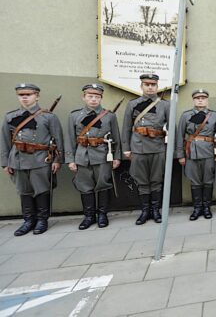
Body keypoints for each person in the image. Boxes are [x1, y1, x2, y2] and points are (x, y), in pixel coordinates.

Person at [1, 83, 63, 236]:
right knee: (24, 190)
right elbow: (4, 141)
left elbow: (58, 140)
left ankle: (42, 220)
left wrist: (57, 160)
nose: (25, 98)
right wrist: (4, 163)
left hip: (41, 159)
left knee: (42, 189)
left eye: (28, 94)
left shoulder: (48, 117)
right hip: (18, 160)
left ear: (37, 96)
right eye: (21, 95)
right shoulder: (10, 117)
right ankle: (28, 220)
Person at [65, 83, 121, 229]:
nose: (94, 100)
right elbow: (70, 139)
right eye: (90, 96)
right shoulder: (74, 116)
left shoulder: (109, 116)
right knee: (85, 186)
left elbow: (116, 138)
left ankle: (102, 214)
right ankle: (89, 216)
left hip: (102, 155)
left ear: (101, 98)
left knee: (103, 184)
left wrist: (116, 157)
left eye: (97, 97)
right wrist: (70, 159)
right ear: (84, 97)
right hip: (82, 156)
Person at [121, 74, 170, 225]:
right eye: (147, 84)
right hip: (138, 147)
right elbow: (126, 128)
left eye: (153, 85)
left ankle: (155, 210)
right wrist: (126, 149)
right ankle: (144, 211)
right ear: (141, 86)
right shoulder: (133, 104)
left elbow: (171, 128)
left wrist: (170, 149)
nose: (150, 87)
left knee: (156, 180)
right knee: (142, 181)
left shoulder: (165, 105)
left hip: (158, 147)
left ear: (157, 86)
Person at [176, 89, 216, 221]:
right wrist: (180, 155)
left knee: (208, 180)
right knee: (195, 181)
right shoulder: (186, 115)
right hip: (191, 152)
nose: (200, 100)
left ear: (207, 100)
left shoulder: (214, 116)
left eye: (203, 98)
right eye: (197, 98)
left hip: (208, 152)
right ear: (193, 100)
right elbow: (180, 136)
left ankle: (207, 207)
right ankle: (197, 208)